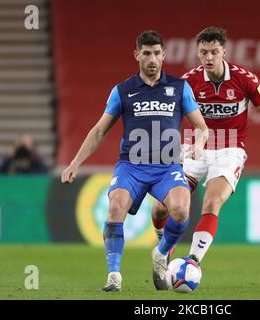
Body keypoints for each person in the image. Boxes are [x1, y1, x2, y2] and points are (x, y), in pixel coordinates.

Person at [61, 31, 208, 292]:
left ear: (164, 55)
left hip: (167, 167)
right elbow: (99, 131)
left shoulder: (179, 88)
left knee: (182, 210)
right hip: (132, 166)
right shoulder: (123, 90)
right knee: (116, 205)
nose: (152, 59)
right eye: (146, 53)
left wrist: (197, 144)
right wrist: (74, 163)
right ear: (137, 55)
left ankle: (161, 253)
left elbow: (201, 126)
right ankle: (114, 276)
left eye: (157, 53)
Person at [152, 27, 260, 265]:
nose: (209, 57)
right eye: (203, 52)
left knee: (212, 202)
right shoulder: (188, 82)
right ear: (198, 53)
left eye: (214, 51)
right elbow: (168, 116)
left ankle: (192, 262)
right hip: (194, 148)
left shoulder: (245, 79)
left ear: (224, 51)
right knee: (161, 207)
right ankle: (163, 249)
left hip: (229, 148)